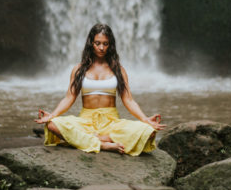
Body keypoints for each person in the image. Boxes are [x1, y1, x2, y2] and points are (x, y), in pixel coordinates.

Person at [35, 23, 165, 155]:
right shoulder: (79, 69)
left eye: (105, 44)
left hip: (111, 122)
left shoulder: (118, 69)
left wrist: (145, 119)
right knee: (52, 125)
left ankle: (94, 139)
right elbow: (69, 97)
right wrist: (52, 115)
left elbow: (129, 100)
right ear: (91, 43)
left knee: (149, 131)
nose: (101, 48)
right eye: (97, 43)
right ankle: (102, 145)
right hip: (86, 121)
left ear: (110, 45)